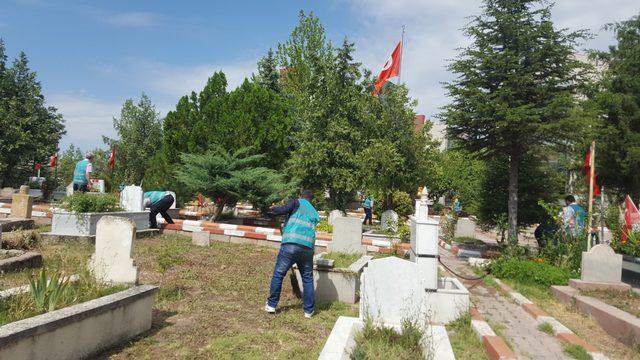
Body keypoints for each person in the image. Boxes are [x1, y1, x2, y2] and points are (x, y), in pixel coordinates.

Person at [265, 190, 319, 318]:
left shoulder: (296, 202)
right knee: (307, 278)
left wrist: (272, 209)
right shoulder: (314, 212)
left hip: (290, 245)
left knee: (278, 274)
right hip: (307, 249)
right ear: (312, 200)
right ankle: (308, 311)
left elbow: (280, 210)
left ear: (302, 197)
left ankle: (272, 305)